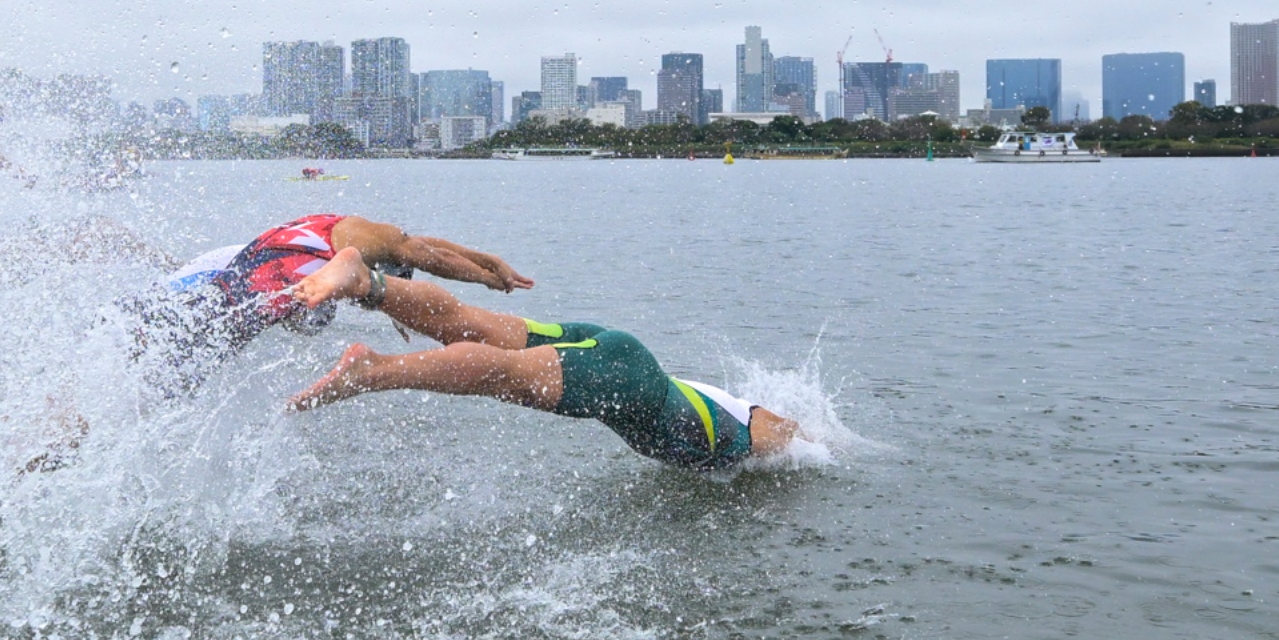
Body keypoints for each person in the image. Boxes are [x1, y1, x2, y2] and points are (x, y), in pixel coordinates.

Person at [283, 246, 799, 468]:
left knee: (466, 321)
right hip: (627, 380)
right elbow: (791, 439)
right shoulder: (768, 435)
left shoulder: (726, 411)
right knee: (506, 374)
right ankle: (375, 370)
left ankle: (367, 282)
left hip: (606, 350)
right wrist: (817, 451)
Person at [120, 212, 533, 394]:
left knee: (152, 377)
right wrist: (486, 279)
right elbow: (424, 253)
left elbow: (421, 247)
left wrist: (484, 258)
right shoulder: (362, 238)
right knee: (153, 377)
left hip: (214, 290)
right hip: (219, 300)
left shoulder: (338, 237)